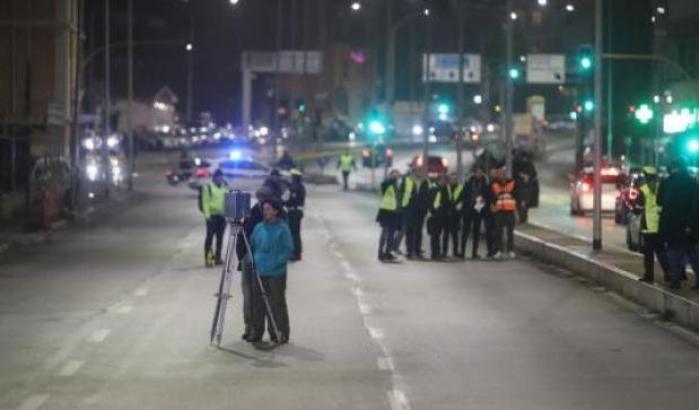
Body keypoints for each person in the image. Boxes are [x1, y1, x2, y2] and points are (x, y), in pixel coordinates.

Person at [249, 199, 294, 344]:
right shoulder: (258, 227)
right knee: (258, 303)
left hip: (276, 273)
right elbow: (253, 245)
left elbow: (288, 250)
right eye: (264, 209)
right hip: (259, 272)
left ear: (275, 211)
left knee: (276, 303)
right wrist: (253, 261)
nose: (265, 211)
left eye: (268, 209)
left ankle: (279, 332)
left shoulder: (282, 228)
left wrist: (274, 264)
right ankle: (257, 332)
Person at [237, 186, 273, 341]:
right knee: (248, 297)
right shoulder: (251, 213)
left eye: (263, 198)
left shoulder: (274, 215)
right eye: (259, 198)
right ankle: (249, 327)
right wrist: (242, 257)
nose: (260, 201)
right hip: (248, 259)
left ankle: (258, 330)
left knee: (260, 298)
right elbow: (241, 236)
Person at [658, 157, 699, 289]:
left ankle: (675, 280)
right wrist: (692, 223)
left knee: (673, 252)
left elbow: (659, 201)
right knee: (693, 253)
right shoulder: (693, 183)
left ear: (672, 168)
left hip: (671, 224)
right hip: (689, 225)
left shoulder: (667, 182)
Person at [635, 167, 669, 283]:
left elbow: (638, 207)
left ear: (646, 177)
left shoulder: (644, 189)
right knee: (661, 251)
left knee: (648, 254)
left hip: (648, 226)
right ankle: (668, 274)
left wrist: (634, 209)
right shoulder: (661, 188)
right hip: (660, 224)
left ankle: (649, 276)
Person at [201, 169, 229, 267]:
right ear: (214, 177)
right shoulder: (208, 187)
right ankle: (208, 258)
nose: (220, 179)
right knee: (209, 238)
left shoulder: (225, 187)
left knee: (220, 238)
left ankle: (218, 258)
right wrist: (207, 215)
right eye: (219, 177)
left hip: (222, 216)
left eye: (222, 177)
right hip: (212, 217)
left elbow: (227, 200)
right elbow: (205, 202)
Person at [461, 166, 489, 259]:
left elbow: (485, 196)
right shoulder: (469, 182)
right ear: (474, 173)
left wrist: (478, 206)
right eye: (477, 172)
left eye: (481, 172)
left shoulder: (484, 183)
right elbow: (464, 195)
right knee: (465, 231)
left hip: (478, 210)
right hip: (468, 210)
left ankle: (474, 253)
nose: (479, 174)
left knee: (476, 232)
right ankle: (462, 252)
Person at [491, 167, 517, 259]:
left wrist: (502, 194)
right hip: (499, 211)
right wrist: (506, 193)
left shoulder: (512, 182)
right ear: (498, 174)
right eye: (501, 173)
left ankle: (510, 250)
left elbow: (514, 194)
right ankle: (499, 251)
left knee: (510, 232)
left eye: (504, 173)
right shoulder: (494, 183)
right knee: (499, 232)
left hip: (510, 210)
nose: (502, 175)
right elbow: (494, 195)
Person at [376, 169, 401, 261]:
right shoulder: (387, 184)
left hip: (394, 213)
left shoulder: (396, 186)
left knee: (391, 234)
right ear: (390, 175)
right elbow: (384, 184)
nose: (396, 177)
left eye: (397, 175)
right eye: (394, 175)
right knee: (384, 233)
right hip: (385, 212)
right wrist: (392, 178)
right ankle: (380, 253)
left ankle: (388, 253)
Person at [400, 167, 423, 259]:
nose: (419, 173)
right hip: (408, 209)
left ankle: (417, 251)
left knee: (418, 231)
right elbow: (401, 194)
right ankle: (409, 251)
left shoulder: (423, 182)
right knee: (409, 231)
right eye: (417, 171)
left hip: (419, 210)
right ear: (412, 172)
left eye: (419, 171)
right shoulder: (406, 181)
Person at [285, 169, 306, 261]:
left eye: (292, 177)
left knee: (294, 234)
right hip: (295, 211)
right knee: (295, 233)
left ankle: (296, 253)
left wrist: (284, 203)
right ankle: (296, 253)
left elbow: (292, 200)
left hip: (295, 211)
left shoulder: (297, 188)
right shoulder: (299, 186)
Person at [427, 175, 448, 261]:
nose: (443, 183)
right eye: (442, 181)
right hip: (434, 216)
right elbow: (431, 203)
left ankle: (436, 253)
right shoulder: (435, 189)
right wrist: (433, 212)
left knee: (436, 235)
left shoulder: (441, 189)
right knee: (435, 235)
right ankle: (435, 254)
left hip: (438, 216)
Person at [513, 150, 537, 224]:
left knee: (523, 204)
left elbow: (533, 174)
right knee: (522, 203)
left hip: (524, 187)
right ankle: (522, 218)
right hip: (521, 187)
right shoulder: (518, 164)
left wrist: (528, 177)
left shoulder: (528, 165)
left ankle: (523, 218)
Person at [446, 172, 464, 258]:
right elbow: (444, 199)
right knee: (446, 234)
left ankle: (455, 251)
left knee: (455, 235)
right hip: (447, 214)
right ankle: (444, 252)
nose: (453, 180)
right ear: (449, 179)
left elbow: (462, 200)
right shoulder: (447, 187)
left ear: (456, 179)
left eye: (454, 179)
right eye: (451, 179)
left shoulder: (460, 188)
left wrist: (458, 210)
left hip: (456, 214)